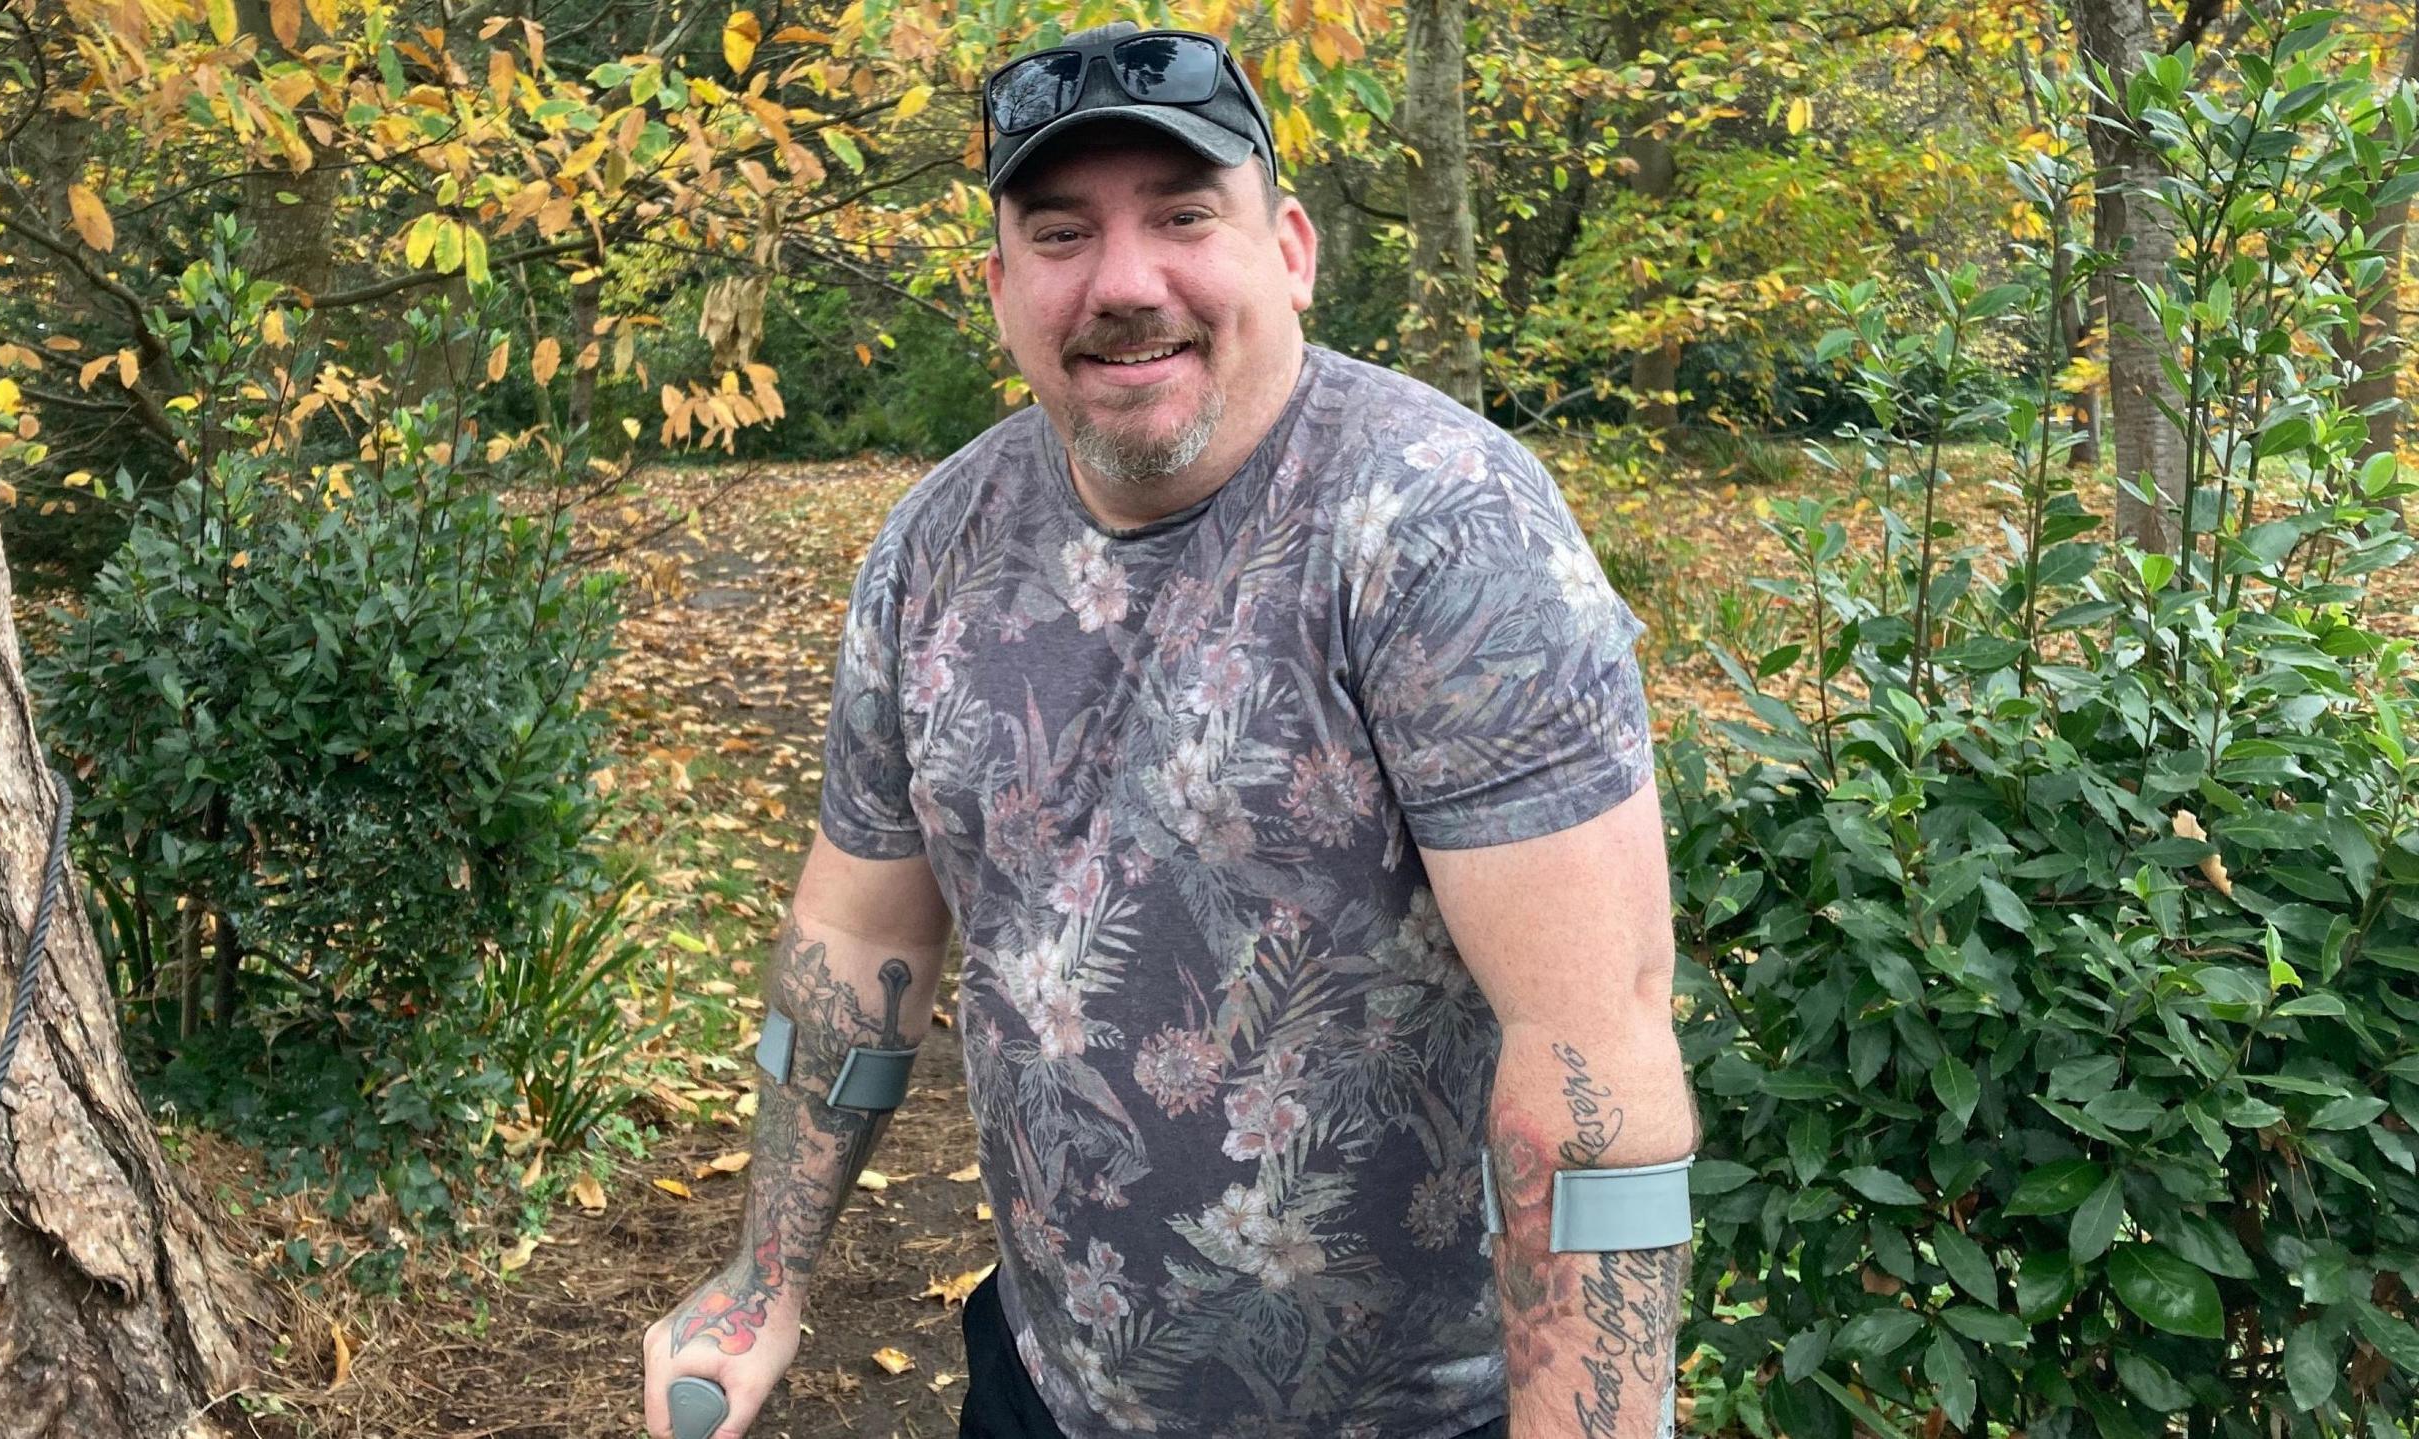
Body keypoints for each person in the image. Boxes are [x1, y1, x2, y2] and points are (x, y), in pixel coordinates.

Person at [641, 21, 1699, 1439]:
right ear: (1000, 286)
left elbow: (1591, 1055)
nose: (1125, 283)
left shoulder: (1442, 532)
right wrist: (763, 1278)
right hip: (1046, 1387)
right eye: (1063, 233)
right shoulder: (935, 547)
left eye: (1185, 216)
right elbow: (861, 942)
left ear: (1293, 250)